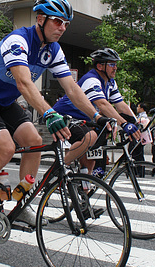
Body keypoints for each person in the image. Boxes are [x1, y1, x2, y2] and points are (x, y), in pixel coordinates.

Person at [0, 0, 110, 231]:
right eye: (57, 21)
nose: (62, 28)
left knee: (34, 141)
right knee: (6, 149)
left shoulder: (53, 50)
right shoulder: (18, 40)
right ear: (40, 19)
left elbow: (72, 88)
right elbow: (24, 84)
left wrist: (97, 116)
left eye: (66, 24)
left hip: (5, 101)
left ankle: (21, 202)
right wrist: (49, 113)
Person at [54, 48, 140, 176]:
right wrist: (124, 124)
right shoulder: (91, 80)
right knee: (90, 137)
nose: (115, 68)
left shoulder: (110, 82)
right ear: (100, 66)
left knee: (91, 161)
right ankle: (59, 169)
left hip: (85, 120)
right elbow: (103, 104)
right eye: (112, 64)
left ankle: (83, 188)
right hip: (65, 116)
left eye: (116, 64)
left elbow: (121, 105)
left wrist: (135, 121)